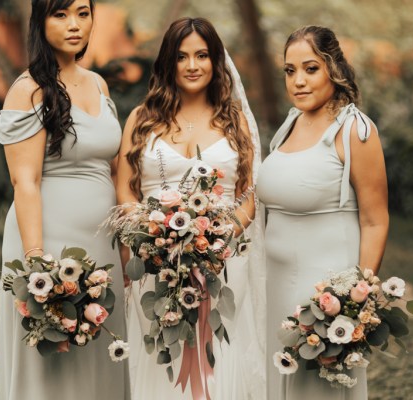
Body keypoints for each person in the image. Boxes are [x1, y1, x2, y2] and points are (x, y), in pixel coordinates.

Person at [116, 17, 266, 400]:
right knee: (160, 355)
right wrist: (151, 239)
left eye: (202, 55)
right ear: (169, 62)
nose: (193, 65)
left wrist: (222, 235)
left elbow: (251, 192)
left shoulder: (234, 122)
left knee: (222, 353)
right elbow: (125, 188)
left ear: (216, 60)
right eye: (182, 56)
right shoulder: (142, 119)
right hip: (156, 262)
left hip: (223, 261)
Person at [0, 0, 129, 398]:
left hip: (101, 241)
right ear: (41, 20)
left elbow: (115, 166)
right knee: (53, 354)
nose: (75, 24)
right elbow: (26, 182)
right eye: (61, 14)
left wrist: (126, 234)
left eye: (83, 13)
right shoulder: (28, 89)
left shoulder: (98, 84)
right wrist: (38, 264)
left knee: (100, 345)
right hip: (49, 240)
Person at [257, 25, 389, 399]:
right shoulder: (288, 125)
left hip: (324, 293)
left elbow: (376, 219)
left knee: (318, 387)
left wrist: (357, 301)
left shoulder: (355, 130)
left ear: (334, 69)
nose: (298, 81)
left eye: (310, 68)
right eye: (289, 70)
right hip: (277, 284)